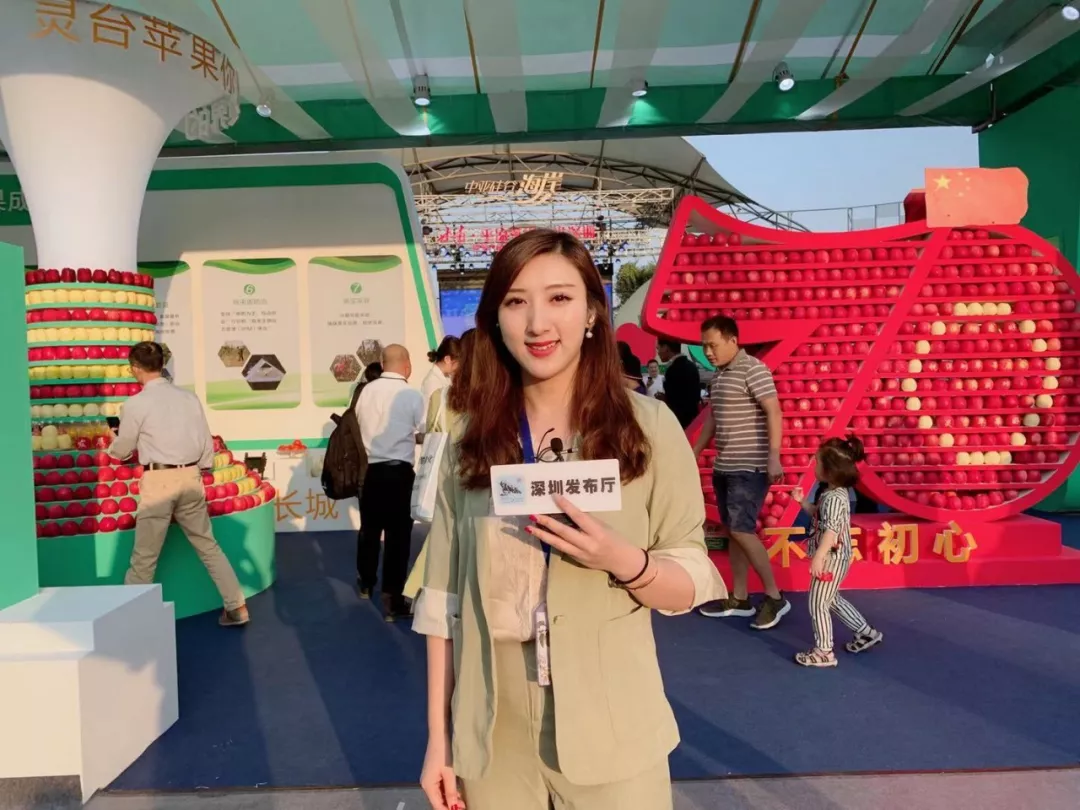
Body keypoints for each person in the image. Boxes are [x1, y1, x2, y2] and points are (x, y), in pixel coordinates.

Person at [414, 229, 726, 810]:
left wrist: (624, 561)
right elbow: (442, 598)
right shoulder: (469, 442)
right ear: (495, 320)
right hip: (494, 731)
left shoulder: (648, 429)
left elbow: (692, 577)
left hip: (613, 725)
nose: (538, 323)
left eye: (559, 297)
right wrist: (441, 737)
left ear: (592, 313)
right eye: (516, 301)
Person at [112, 342, 249, 627]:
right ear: (162, 364)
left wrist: (111, 445)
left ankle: (131, 622)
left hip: (158, 482)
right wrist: (202, 468)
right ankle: (236, 606)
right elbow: (205, 441)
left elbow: (123, 449)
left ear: (135, 369)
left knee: (145, 556)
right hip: (190, 477)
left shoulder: (135, 404)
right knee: (208, 546)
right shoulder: (189, 398)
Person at [693, 316, 790, 630]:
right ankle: (740, 597)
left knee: (741, 529)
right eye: (704, 346)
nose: (708, 352)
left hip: (750, 466)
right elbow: (713, 417)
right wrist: (695, 452)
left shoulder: (753, 369)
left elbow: (773, 411)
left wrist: (773, 457)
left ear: (733, 340)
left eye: (713, 345)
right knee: (733, 529)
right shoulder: (719, 376)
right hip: (725, 465)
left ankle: (774, 596)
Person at [791, 436, 883, 667]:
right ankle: (866, 632)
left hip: (831, 558)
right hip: (837, 557)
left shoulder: (833, 498)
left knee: (817, 603)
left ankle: (824, 651)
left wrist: (819, 557)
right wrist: (803, 503)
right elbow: (820, 516)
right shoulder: (832, 494)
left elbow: (831, 532)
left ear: (830, 470)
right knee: (830, 599)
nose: (815, 467)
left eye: (818, 463)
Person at [404, 329, 478, 603]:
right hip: (482, 483)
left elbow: (431, 431)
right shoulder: (496, 397)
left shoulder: (441, 394)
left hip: (448, 478)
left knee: (445, 540)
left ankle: (427, 596)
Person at [355, 344, 424, 620]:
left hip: (370, 472)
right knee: (398, 537)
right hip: (399, 474)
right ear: (407, 365)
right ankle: (392, 601)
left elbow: (358, 424)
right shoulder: (412, 394)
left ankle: (365, 583)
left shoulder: (366, 391)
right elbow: (424, 431)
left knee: (369, 530)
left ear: (383, 364)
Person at [656, 338, 700, 428]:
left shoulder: (673, 369)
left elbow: (676, 402)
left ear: (666, 348)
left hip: (679, 422)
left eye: (658, 348)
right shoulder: (691, 365)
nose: (658, 353)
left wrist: (664, 399)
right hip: (693, 421)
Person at [421, 336, 462, 424]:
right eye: (458, 363)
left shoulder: (447, 377)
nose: (459, 367)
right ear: (447, 359)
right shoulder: (432, 382)